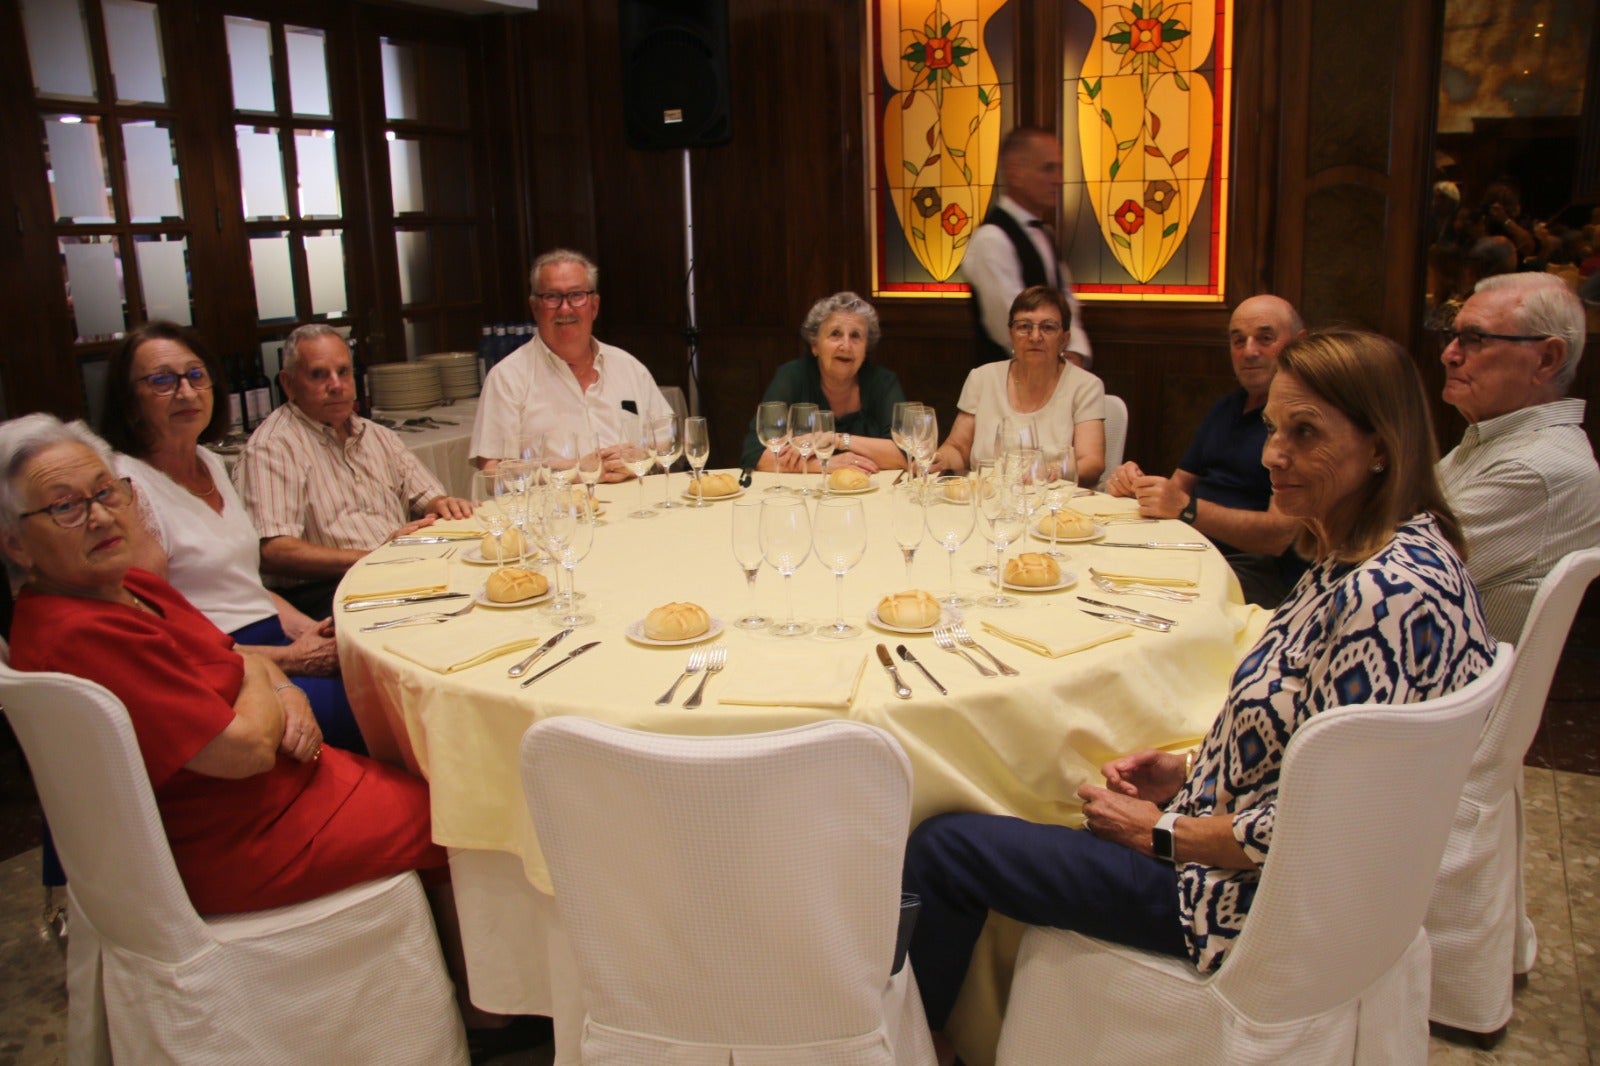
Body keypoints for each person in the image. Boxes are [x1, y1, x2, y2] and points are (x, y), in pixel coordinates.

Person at [903, 330, 1495, 1065]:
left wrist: (1160, 833)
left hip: (1240, 908)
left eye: (1304, 433)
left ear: (1383, 447)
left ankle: (919, 1044)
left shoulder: (1385, 595)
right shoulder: (1390, 548)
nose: (1272, 454)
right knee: (1047, 794)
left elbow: (1329, 826)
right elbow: (1321, 753)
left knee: (944, 848)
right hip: (1248, 861)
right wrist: (1187, 775)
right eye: (1275, 428)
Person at [0, 414, 444, 915]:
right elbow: (246, 750)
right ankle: (481, 986)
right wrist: (264, 682)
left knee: (439, 784)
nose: (100, 516)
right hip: (242, 838)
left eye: (105, 492)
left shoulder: (129, 586)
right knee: (464, 821)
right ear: (14, 543)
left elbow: (234, 657)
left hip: (281, 790)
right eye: (65, 507)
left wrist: (283, 690)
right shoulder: (80, 634)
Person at [98, 321, 365, 753]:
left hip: (272, 642)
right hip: (223, 670)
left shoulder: (208, 460)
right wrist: (290, 659)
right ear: (129, 398)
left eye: (196, 375)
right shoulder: (127, 487)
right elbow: (159, 637)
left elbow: (243, 581)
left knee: (393, 672)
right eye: (162, 380)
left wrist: (309, 631)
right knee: (378, 707)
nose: (186, 392)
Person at [232, 324, 472, 619]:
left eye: (343, 372)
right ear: (288, 383)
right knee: (449, 615)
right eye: (319, 374)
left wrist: (443, 504)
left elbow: (427, 496)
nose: (336, 385)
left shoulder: (373, 434)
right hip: (326, 591)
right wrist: (374, 558)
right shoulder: (273, 448)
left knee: (478, 586)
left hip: (396, 569)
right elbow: (274, 552)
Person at [1104, 295, 1308, 607]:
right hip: (1192, 547)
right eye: (1238, 341)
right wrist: (1138, 486)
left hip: (1258, 571)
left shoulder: (1302, 423)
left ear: (1299, 342)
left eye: (1265, 338)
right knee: (1105, 569)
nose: (1249, 351)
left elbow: (1279, 536)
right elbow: (1177, 490)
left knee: (1141, 600)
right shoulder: (1226, 407)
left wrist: (1186, 509)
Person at [1437, 272, 1600, 644]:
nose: (1449, 354)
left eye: (1474, 339)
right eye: (1453, 336)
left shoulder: (1539, 467)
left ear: (1546, 359)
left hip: (1428, 694)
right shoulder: (1498, 436)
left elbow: (1386, 568)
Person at [469, 248, 672, 476]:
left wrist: (642, 457)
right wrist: (577, 472)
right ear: (535, 308)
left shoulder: (629, 367)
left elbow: (668, 440)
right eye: (552, 297)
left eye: (576, 295)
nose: (565, 308)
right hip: (555, 509)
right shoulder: (507, 377)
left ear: (594, 306)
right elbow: (491, 472)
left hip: (635, 504)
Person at [928, 285, 1106, 484]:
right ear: (1011, 335)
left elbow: (1092, 461)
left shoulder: (1086, 386)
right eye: (1024, 327)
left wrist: (1053, 471)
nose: (1035, 336)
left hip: (1055, 504)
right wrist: (940, 460)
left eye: (1047, 327)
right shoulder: (982, 378)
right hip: (988, 500)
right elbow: (958, 448)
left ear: (1064, 339)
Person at [963, 128, 1091, 369]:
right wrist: (1062, 362)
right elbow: (1011, 325)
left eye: (1059, 168)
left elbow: (1066, 302)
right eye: (1048, 168)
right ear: (1015, 173)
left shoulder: (1045, 234)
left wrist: (1076, 356)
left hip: (1054, 375)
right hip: (1009, 385)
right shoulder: (991, 239)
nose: (1058, 179)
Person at [737, 292, 907, 473]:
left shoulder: (883, 382)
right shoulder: (792, 376)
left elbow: (906, 455)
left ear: (866, 348)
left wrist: (836, 439)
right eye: (835, 334)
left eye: (856, 336)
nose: (846, 346)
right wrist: (823, 465)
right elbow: (755, 454)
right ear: (815, 345)